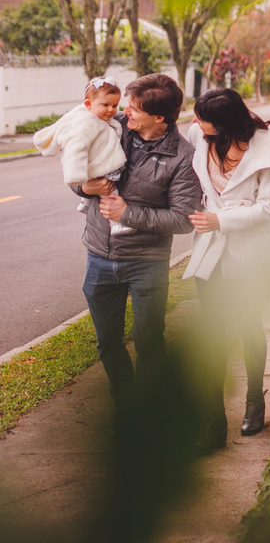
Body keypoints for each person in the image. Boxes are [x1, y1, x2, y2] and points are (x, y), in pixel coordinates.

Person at [76, 73, 202, 416]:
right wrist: (83, 189)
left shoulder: (182, 158)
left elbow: (181, 218)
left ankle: (147, 412)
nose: (124, 111)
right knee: (107, 342)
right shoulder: (112, 128)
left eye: (134, 107)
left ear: (159, 117)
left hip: (147, 261)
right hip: (99, 256)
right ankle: (127, 405)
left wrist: (128, 213)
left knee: (148, 341)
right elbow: (77, 166)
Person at [183, 88, 270, 451]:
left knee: (250, 327)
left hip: (250, 253)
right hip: (210, 255)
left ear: (225, 122)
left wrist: (221, 220)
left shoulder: (267, 149)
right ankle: (213, 425)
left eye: (202, 117)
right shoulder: (199, 136)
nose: (195, 122)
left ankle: (255, 402)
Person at [34, 75, 134, 235]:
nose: (111, 110)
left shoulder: (97, 117)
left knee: (96, 185)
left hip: (96, 163)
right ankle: (116, 224)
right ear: (88, 104)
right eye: (105, 105)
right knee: (110, 192)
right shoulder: (86, 123)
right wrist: (75, 176)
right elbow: (75, 149)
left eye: (115, 105)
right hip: (100, 166)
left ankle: (85, 203)